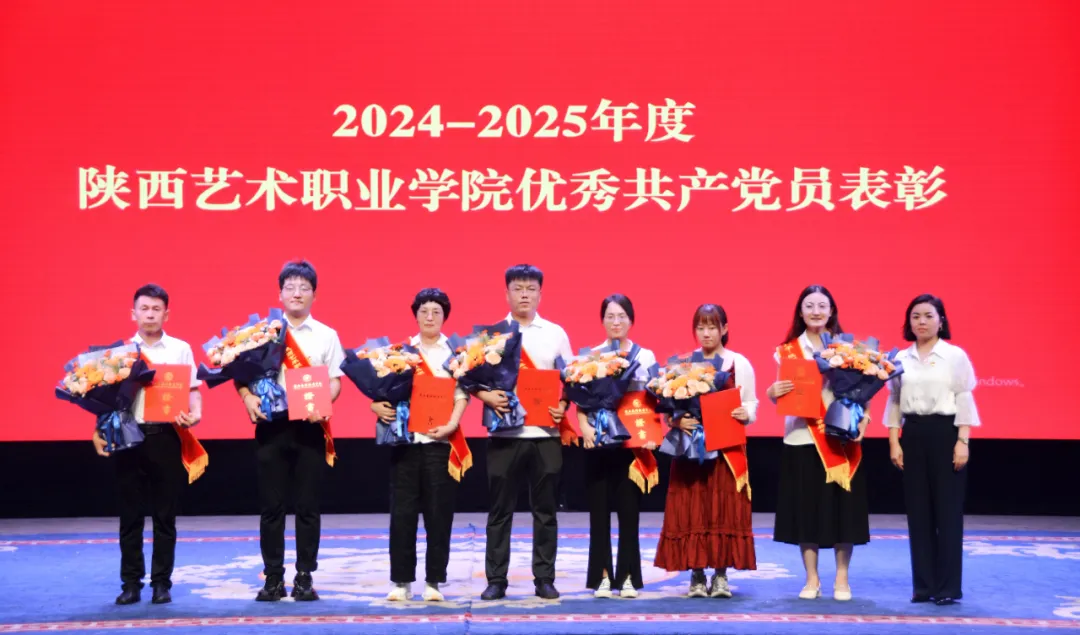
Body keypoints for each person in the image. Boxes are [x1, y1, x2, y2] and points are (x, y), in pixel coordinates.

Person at [236, 260, 345, 602]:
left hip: (309, 427)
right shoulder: (262, 333)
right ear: (280, 294)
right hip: (271, 427)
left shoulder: (327, 335)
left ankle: (304, 576)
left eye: (304, 288)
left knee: (308, 506)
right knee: (272, 507)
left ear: (314, 294)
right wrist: (247, 397)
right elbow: (241, 375)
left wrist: (324, 403)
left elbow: (335, 381)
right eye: (290, 287)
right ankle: (272, 577)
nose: (297, 293)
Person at [93, 284, 203, 605]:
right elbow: (105, 400)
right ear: (134, 313)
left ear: (166, 314)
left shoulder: (180, 349)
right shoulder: (121, 353)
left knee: (165, 515)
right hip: (127, 437)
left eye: (156, 309)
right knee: (130, 516)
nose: (150, 314)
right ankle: (131, 583)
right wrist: (98, 430)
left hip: (165, 437)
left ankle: (161, 583)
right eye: (144, 308)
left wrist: (195, 413)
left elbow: (193, 389)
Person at [476, 264, 573, 601]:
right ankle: (496, 580)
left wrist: (563, 405)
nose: (524, 295)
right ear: (507, 294)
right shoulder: (492, 335)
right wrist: (486, 396)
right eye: (518, 288)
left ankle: (544, 578)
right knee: (499, 511)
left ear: (540, 294)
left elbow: (571, 379)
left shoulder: (556, 333)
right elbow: (471, 377)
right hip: (505, 435)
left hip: (545, 435)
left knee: (545, 511)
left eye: (531, 288)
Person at [768, 285, 869, 601]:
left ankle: (842, 578)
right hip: (801, 437)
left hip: (840, 437)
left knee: (843, 512)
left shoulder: (848, 348)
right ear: (800, 312)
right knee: (806, 512)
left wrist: (863, 420)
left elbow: (862, 390)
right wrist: (773, 393)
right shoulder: (786, 351)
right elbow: (782, 393)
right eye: (809, 305)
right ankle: (811, 579)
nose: (816, 311)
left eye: (822, 306)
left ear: (831, 310)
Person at [654, 304, 757, 598]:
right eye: (701, 327)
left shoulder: (738, 363)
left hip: (725, 451)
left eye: (712, 327)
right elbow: (668, 406)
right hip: (691, 451)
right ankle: (697, 575)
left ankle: (721, 575)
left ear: (724, 329)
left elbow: (750, 403)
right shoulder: (684, 364)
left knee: (721, 509)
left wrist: (746, 413)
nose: (706, 333)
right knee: (694, 509)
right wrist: (676, 420)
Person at [373, 288, 470, 602]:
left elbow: (461, 394)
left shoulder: (455, 353)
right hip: (406, 443)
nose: (430, 317)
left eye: (436, 311)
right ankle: (401, 582)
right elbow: (384, 390)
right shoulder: (401, 352)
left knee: (439, 515)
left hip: (440, 443)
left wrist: (453, 423)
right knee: (402, 515)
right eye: (424, 311)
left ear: (444, 316)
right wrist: (375, 404)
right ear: (415, 315)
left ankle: (433, 582)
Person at [884, 294, 978, 606]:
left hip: (946, 433)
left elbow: (964, 397)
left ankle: (947, 587)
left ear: (941, 320)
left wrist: (962, 440)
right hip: (913, 434)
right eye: (915, 316)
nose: (921, 322)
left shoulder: (954, 356)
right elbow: (894, 401)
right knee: (918, 512)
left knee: (948, 513)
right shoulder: (901, 358)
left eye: (928, 315)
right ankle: (923, 586)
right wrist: (894, 441)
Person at [577, 294, 658, 599]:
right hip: (599, 443)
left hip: (631, 446)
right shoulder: (591, 356)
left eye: (622, 316)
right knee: (599, 514)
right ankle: (601, 576)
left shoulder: (645, 356)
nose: (616, 322)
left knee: (629, 512)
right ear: (602, 321)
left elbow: (654, 400)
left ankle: (626, 576)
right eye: (610, 316)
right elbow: (580, 400)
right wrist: (584, 428)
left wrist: (652, 433)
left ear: (631, 320)